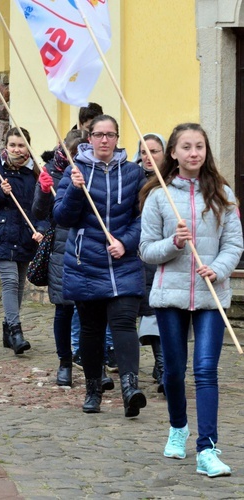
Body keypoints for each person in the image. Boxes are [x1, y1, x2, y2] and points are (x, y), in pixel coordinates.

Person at [139, 123, 243, 477]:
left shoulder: (223, 194)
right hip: (170, 296)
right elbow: (146, 250)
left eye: (199, 146)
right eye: (186, 147)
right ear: (173, 153)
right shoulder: (158, 196)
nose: (193, 153)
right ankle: (178, 426)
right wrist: (175, 243)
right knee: (174, 370)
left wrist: (219, 269)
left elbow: (234, 244)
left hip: (212, 297)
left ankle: (207, 450)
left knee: (205, 370)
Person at [53, 114, 147, 417]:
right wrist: (76, 190)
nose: (104, 140)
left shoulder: (133, 173)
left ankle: (130, 387)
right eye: (99, 134)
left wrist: (126, 242)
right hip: (86, 263)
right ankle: (93, 388)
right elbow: (63, 218)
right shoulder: (74, 170)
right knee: (92, 330)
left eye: (110, 135)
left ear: (118, 139)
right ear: (89, 138)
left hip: (123, 262)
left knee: (123, 323)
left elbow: (144, 217)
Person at [0, 127, 46, 355]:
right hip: (2, 235)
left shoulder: (35, 172)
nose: (17, 149)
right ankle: (16, 330)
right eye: (13, 145)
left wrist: (40, 229)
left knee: (19, 285)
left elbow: (41, 208)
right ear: (6, 146)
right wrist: (0, 193)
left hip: (26, 236)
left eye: (21, 145)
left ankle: (8, 329)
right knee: (10, 280)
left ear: (28, 147)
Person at [32, 130, 87, 385]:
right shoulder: (53, 171)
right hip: (62, 247)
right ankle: (64, 362)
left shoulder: (95, 172)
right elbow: (39, 212)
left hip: (89, 246)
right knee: (64, 309)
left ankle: (92, 362)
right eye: (74, 154)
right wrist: (44, 190)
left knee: (91, 312)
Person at [134, 133, 167, 394]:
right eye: (144, 152)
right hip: (138, 255)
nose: (148, 156)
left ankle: (165, 366)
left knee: (161, 312)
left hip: (166, 254)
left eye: (153, 151)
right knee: (148, 311)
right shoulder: (134, 180)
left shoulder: (172, 182)